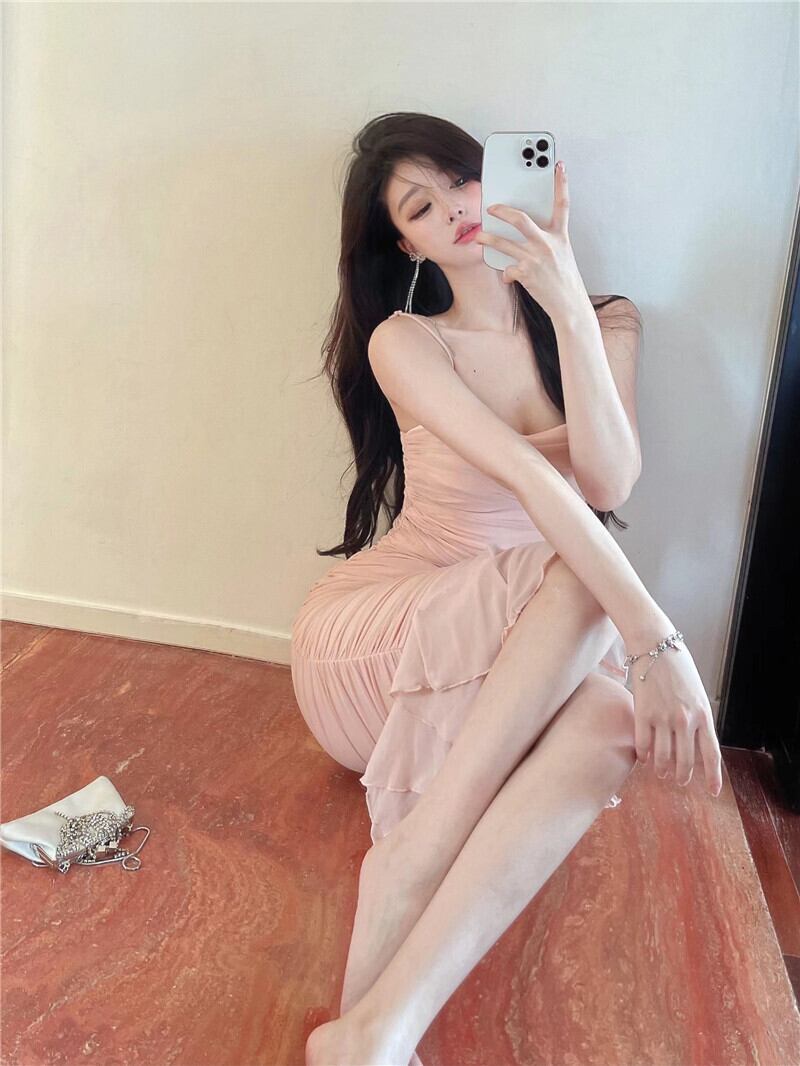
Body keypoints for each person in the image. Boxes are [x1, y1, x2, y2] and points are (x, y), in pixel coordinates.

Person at [292, 112, 723, 1066]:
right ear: (406, 246)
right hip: (381, 640)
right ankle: (413, 858)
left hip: (525, 643)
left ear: (496, 176)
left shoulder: (608, 321)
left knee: (610, 719)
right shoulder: (407, 341)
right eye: (420, 207)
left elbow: (608, 483)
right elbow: (536, 481)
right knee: (588, 583)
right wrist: (658, 644)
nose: (454, 208)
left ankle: (376, 1030)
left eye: (461, 179)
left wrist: (566, 306)